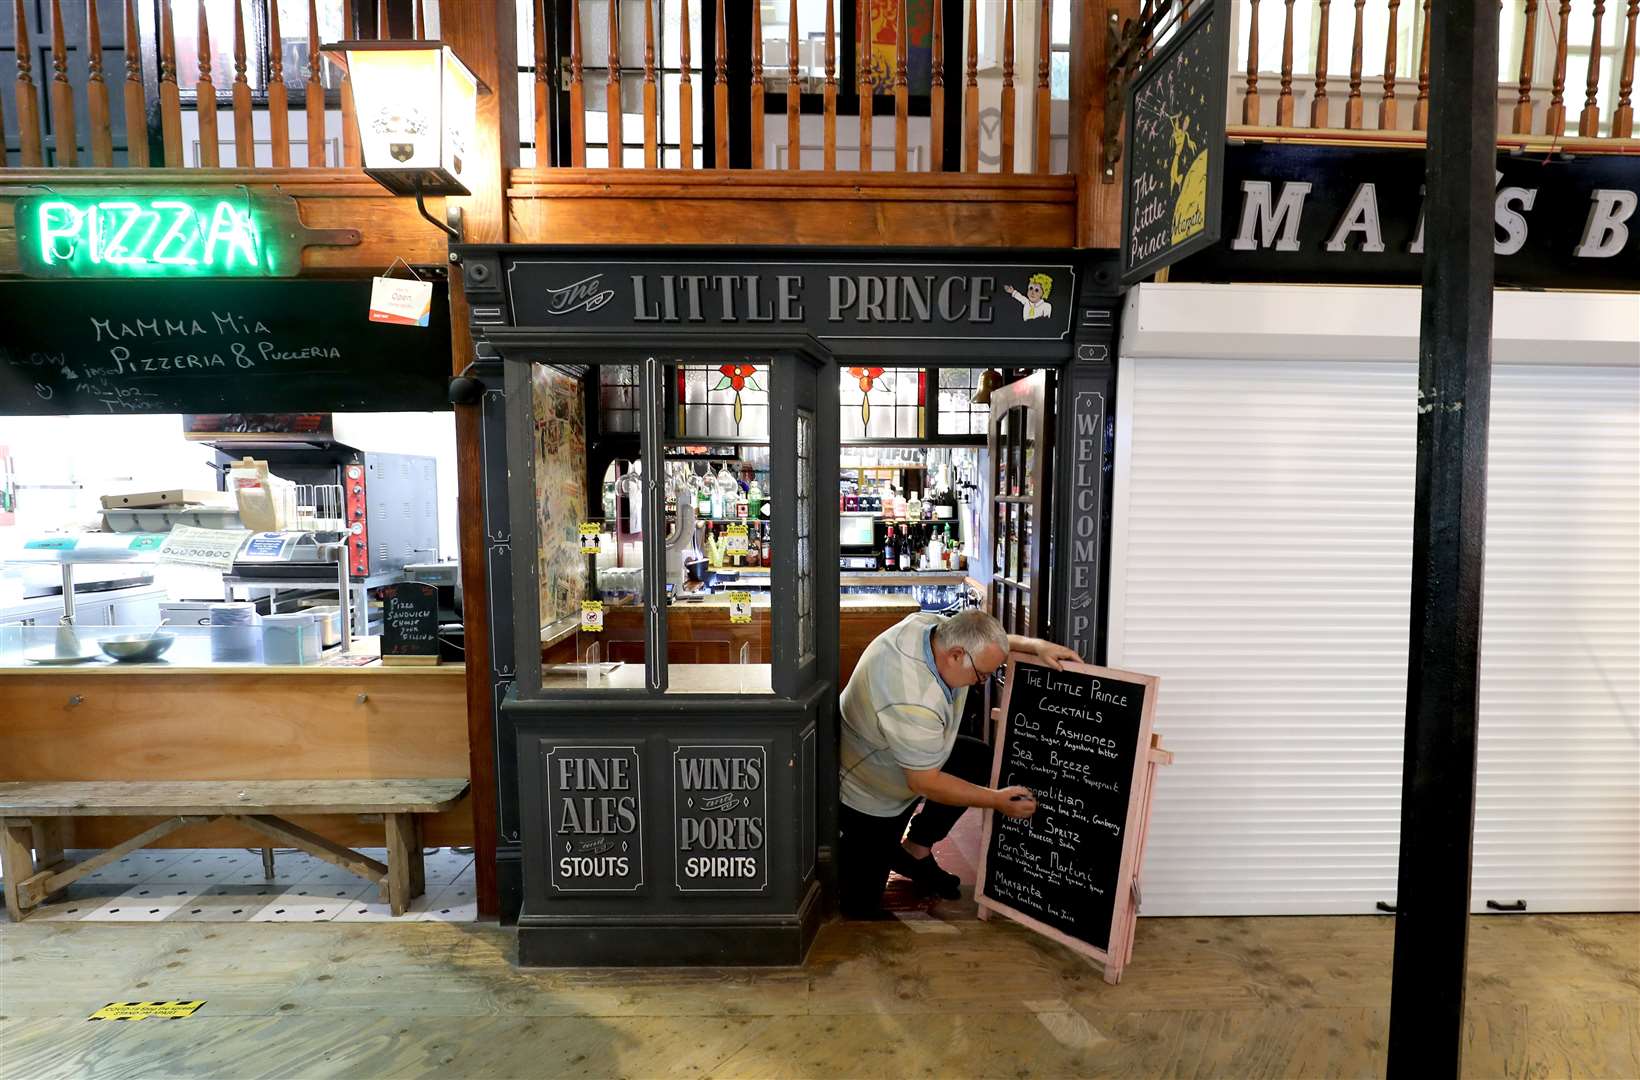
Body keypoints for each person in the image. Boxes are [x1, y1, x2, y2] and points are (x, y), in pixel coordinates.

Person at [836, 608, 1080, 918]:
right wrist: (995, 800)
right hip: (870, 791)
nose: (983, 682)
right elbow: (923, 782)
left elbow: (987, 643)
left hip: (908, 760)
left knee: (977, 759)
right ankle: (873, 850)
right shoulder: (912, 697)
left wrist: (1034, 646)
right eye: (982, 675)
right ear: (955, 655)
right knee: (860, 907)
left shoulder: (933, 628)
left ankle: (915, 849)